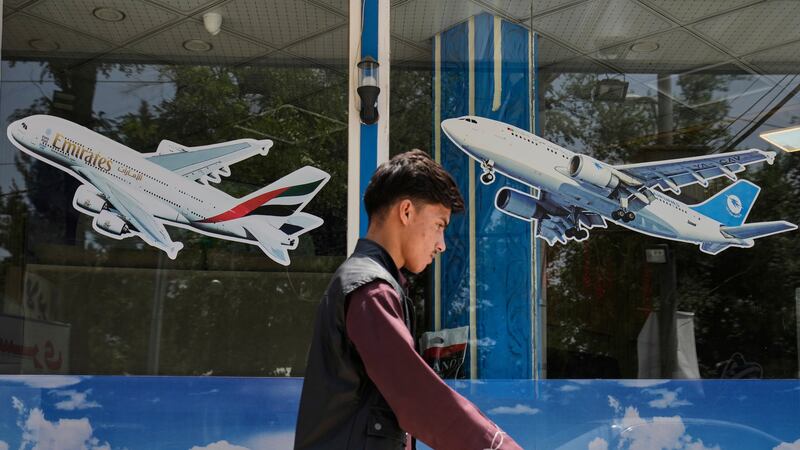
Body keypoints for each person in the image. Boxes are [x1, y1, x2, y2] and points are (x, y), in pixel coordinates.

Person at [294, 150, 522, 450]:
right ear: (406, 212)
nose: (441, 245)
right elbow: (418, 397)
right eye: (440, 225)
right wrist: (498, 446)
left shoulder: (371, 284)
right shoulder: (371, 290)